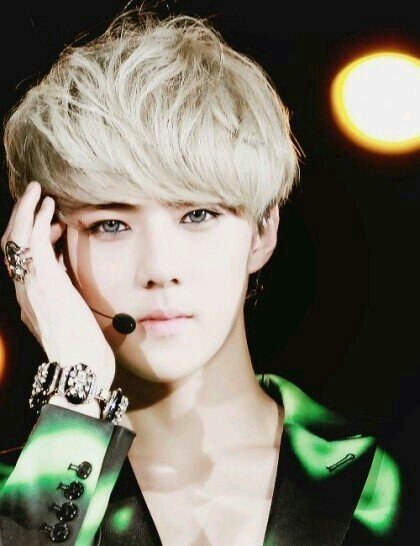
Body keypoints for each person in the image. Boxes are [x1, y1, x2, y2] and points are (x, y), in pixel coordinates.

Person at [0, 7, 400, 545]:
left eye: (198, 215)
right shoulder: (20, 501)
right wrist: (77, 397)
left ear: (262, 230)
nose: (159, 269)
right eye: (111, 224)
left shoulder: (389, 480)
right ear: (52, 251)